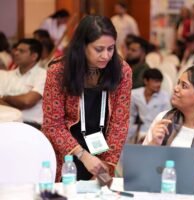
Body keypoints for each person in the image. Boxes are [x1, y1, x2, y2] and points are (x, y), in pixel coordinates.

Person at [42, 15, 132, 181]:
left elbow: (119, 123)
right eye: (99, 49)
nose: (106, 55)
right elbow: (52, 124)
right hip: (65, 153)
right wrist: (82, 155)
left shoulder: (122, 71)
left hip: (102, 152)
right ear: (82, 46)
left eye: (111, 49)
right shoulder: (59, 71)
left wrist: (106, 165)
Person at [0, 38, 46, 127]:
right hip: (5, 124)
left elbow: (27, 101)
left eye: (22, 51)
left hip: (30, 125)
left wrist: (4, 98)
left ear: (34, 56)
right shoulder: (5, 75)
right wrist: (18, 102)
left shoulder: (43, 75)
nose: (16, 53)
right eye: (16, 50)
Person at [127, 68, 171, 143]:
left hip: (156, 130)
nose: (158, 84)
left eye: (160, 82)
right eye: (155, 81)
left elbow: (167, 118)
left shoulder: (164, 97)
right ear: (146, 81)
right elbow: (131, 115)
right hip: (138, 130)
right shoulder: (135, 94)